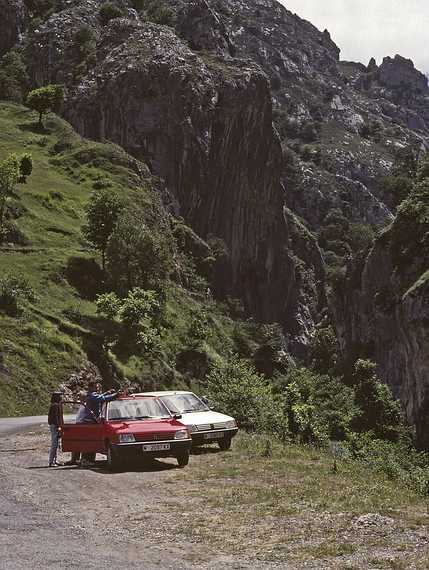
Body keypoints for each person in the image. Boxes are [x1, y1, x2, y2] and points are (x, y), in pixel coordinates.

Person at [80, 382, 121, 467]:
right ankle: (85, 460)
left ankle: (88, 460)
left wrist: (108, 393)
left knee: (91, 441)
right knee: (91, 441)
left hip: (91, 421)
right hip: (90, 422)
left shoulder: (92, 395)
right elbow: (102, 399)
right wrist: (116, 395)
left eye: (98, 387)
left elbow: (101, 397)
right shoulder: (92, 396)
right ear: (91, 387)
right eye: (96, 387)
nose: (98, 388)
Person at [48, 392, 62, 467]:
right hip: (55, 426)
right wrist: (59, 426)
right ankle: (51, 461)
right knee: (54, 444)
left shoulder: (53, 405)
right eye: (59, 396)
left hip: (53, 425)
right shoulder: (55, 405)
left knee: (56, 444)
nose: (61, 397)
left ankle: (54, 460)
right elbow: (56, 417)